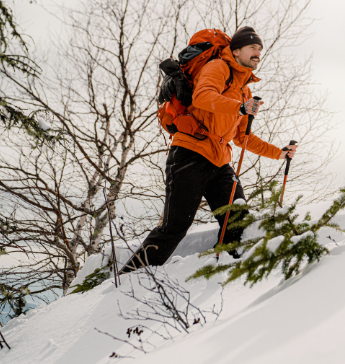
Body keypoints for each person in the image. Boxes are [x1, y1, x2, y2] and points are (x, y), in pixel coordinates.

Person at [121, 26, 298, 272]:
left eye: (259, 48)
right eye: (252, 47)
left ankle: (225, 270)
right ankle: (129, 277)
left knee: (237, 217)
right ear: (236, 51)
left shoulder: (244, 89)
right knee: (174, 228)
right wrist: (239, 108)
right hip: (189, 154)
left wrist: (278, 153)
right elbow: (202, 97)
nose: (258, 52)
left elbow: (242, 137)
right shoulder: (218, 67)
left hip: (219, 161)